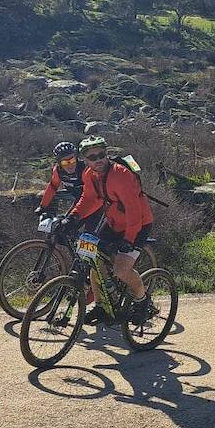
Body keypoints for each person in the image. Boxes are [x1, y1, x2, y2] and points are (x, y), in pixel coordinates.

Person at [69, 135, 154, 323]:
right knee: (93, 259)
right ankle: (101, 306)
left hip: (138, 224)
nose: (98, 160)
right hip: (114, 222)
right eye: (92, 157)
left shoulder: (121, 175)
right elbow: (90, 199)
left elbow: (134, 210)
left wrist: (130, 239)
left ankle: (142, 301)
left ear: (106, 154)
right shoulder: (89, 175)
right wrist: (73, 217)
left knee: (121, 270)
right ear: (84, 160)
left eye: (101, 154)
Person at [35, 141, 85, 217]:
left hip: (91, 200)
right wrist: (42, 206)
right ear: (59, 163)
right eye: (65, 162)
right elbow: (52, 187)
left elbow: (91, 194)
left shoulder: (84, 169)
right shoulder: (58, 171)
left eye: (72, 160)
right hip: (77, 198)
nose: (70, 165)